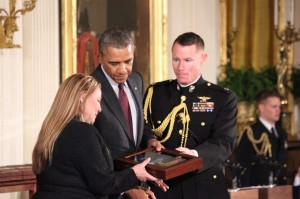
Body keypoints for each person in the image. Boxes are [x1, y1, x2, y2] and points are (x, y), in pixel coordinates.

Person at [32, 74, 166, 199]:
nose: (99, 108)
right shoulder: (83, 132)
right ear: (82, 97)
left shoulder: (50, 129)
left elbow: (84, 179)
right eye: (97, 100)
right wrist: (134, 173)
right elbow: (104, 184)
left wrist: (131, 186)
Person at [143, 32, 237, 199]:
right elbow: (143, 127)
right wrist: (151, 140)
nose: (180, 67)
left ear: (202, 59)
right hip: (164, 187)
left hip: (204, 186)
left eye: (187, 60)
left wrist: (193, 155)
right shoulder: (156, 93)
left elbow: (224, 142)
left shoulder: (222, 97)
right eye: (176, 59)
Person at [91, 27, 163, 160]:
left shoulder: (137, 80)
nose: (123, 70)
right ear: (99, 57)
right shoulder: (88, 88)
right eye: (114, 63)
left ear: (134, 52)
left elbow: (138, 122)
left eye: (128, 61)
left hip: (139, 172)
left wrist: (150, 139)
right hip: (110, 174)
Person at [236, 90, 288, 187]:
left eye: (279, 107)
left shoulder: (281, 133)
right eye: (274, 107)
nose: (278, 110)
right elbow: (244, 167)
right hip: (260, 190)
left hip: (280, 189)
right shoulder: (251, 133)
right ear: (261, 107)